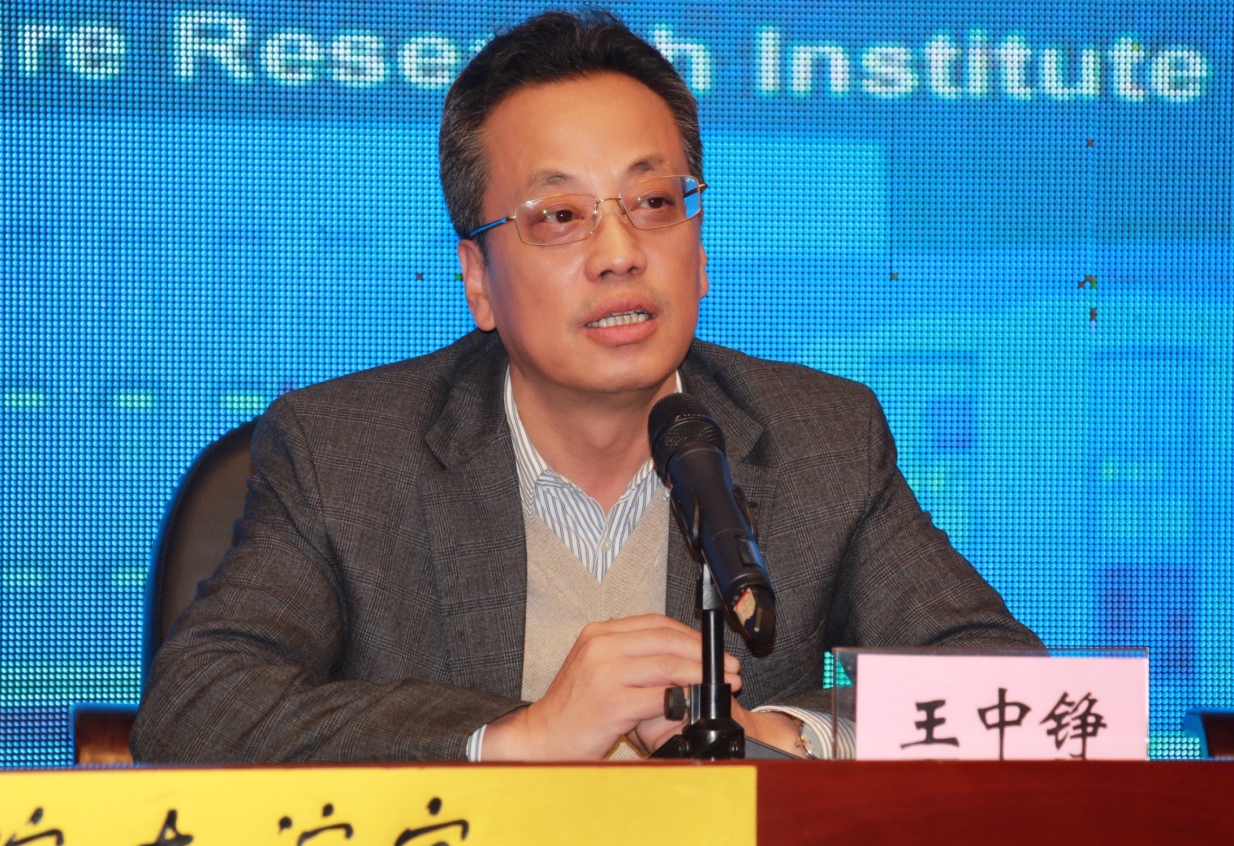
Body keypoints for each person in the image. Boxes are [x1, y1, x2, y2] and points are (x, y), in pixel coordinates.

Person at [131, 9, 1040, 764]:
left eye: (653, 203)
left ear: (698, 249)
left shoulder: (819, 436)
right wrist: (517, 736)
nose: (618, 254)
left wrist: (781, 735)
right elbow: (195, 711)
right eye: (560, 215)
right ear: (478, 281)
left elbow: (1010, 691)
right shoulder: (342, 451)